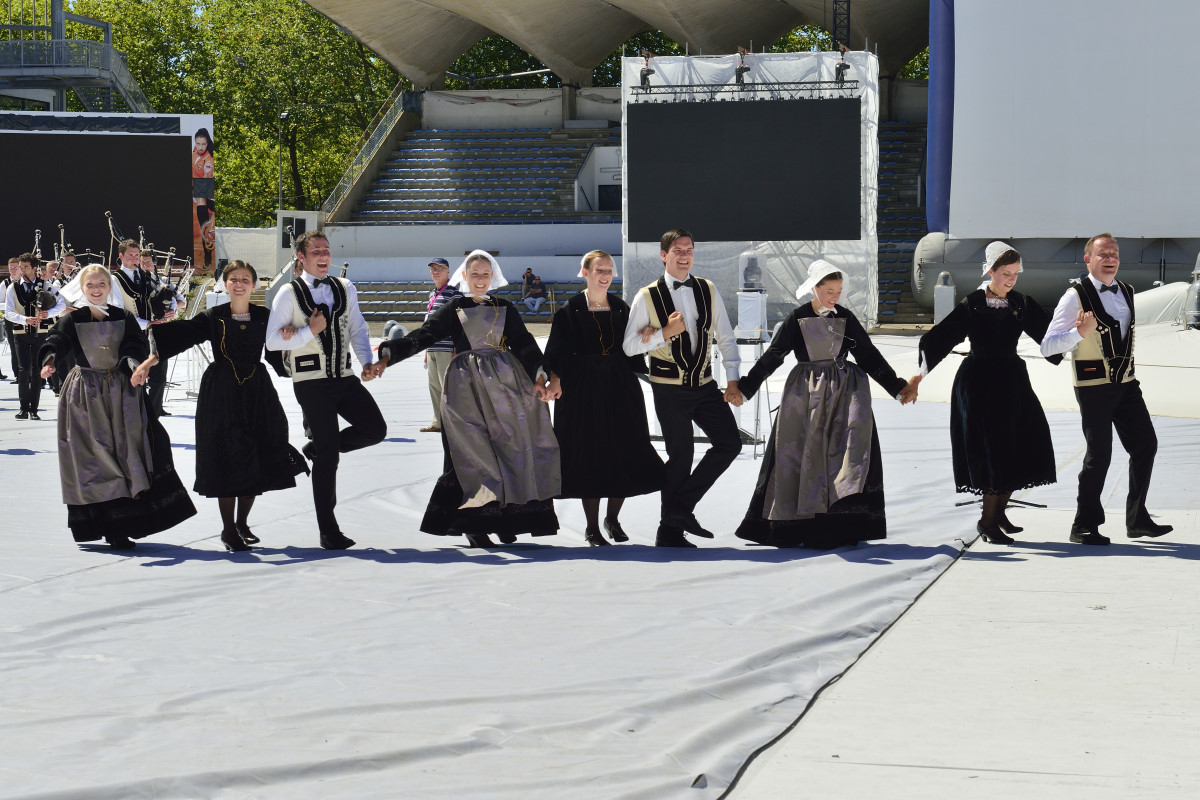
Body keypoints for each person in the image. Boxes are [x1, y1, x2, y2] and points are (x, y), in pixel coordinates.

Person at [376, 250, 561, 547]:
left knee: (509, 448)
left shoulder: (505, 307)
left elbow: (524, 343)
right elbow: (426, 334)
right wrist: (389, 354)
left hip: (505, 387)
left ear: (493, 276)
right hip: (466, 386)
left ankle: (506, 518)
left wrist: (539, 375)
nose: (480, 279)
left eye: (485, 274)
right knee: (474, 453)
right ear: (465, 275)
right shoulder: (454, 307)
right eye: (475, 274)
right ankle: (474, 523)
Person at [727, 260, 916, 548]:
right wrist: (746, 386)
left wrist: (897, 386)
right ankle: (799, 526)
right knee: (803, 454)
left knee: (843, 455)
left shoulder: (846, 318)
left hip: (843, 393)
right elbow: (774, 355)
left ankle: (837, 527)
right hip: (806, 395)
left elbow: (868, 354)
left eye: (838, 291)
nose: (834, 297)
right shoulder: (797, 318)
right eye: (829, 291)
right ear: (814, 288)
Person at [133, 260, 308, 552]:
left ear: (255, 284)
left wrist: (295, 340)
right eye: (233, 279)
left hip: (257, 392)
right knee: (227, 456)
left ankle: (242, 523)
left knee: (256, 453)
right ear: (225, 284)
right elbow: (182, 336)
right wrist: (147, 363)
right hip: (221, 393)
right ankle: (228, 530)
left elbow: (279, 354)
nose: (239, 284)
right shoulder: (213, 316)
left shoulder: (266, 317)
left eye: (245, 279)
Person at [38, 265, 196, 549]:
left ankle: (123, 525)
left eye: (101, 283)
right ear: (82, 288)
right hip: (85, 396)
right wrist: (49, 359)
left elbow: (135, 346)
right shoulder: (73, 320)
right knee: (94, 459)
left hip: (122, 392)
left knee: (126, 454)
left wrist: (133, 365)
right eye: (90, 285)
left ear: (109, 287)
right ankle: (100, 523)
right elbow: (57, 341)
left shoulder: (123, 317)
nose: (96, 289)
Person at [917, 243, 1061, 544]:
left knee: (1024, 442)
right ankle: (987, 521)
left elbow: (1049, 337)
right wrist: (918, 378)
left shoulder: (1021, 302)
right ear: (990, 271)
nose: (1011, 279)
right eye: (1005, 273)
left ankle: (998, 513)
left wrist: (1079, 333)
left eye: (1015, 274)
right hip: (979, 384)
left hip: (1012, 381)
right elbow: (940, 339)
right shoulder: (974, 304)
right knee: (993, 449)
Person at [1040, 232, 1172, 545]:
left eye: (1114, 253)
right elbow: (1048, 347)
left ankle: (1137, 519)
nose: (1110, 258)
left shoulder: (1126, 290)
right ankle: (1083, 525)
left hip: (1127, 384)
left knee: (1145, 445)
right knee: (1100, 454)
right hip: (1093, 386)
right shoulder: (1074, 296)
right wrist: (1077, 332)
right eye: (1103, 254)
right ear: (1088, 259)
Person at [265, 230, 386, 550]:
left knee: (375, 429)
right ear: (301, 258)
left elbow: (357, 327)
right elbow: (272, 340)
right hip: (310, 382)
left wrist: (366, 361)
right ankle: (327, 530)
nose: (323, 256)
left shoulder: (346, 287)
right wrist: (308, 331)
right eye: (316, 251)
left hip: (343, 376)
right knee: (330, 457)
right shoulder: (288, 294)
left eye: (327, 250)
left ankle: (319, 448)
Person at [623, 227, 742, 548]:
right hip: (668, 389)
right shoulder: (646, 296)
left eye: (689, 249)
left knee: (730, 443)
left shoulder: (708, 288)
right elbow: (629, 346)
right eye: (677, 250)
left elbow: (726, 336)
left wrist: (733, 379)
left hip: (704, 385)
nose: (684, 255)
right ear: (663, 256)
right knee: (681, 456)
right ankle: (669, 532)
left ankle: (679, 510)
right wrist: (664, 332)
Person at [544, 250, 664, 545]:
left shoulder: (622, 308)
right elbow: (555, 352)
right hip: (582, 390)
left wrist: (649, 329)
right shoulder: (569, 310)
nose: (605, 275)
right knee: (588, 453)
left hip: (619, 386)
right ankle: (591, 526)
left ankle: (612, 519)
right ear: (585, 272)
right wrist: (555, 378)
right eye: (599, 269)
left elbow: (633, 342)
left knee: (623, 448)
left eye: (609, 269)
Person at [5, 252, 66, 420]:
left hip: (41, 333)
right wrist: (25, 319)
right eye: (20, 267)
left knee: (37, 370)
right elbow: (8, 312)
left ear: (34, 268)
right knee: (24, 370)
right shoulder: (13, 287)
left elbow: (61, 304)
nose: (22, 270)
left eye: (25, 267)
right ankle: (23, 408)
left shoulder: (46, 285)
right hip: (21, 334)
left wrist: (49, 313)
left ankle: (34, 409)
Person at [420, 256, 461, 433]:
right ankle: (438, 422)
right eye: (433, 269)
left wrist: (457, 347)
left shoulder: (453, 292)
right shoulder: (433, 294)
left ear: (448, 271)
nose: (435, 272)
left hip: (447, 347)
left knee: (448, 387)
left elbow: (460, 322)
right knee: (434, 386)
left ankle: (452, 422)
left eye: (439, 268)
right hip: (433, 347)